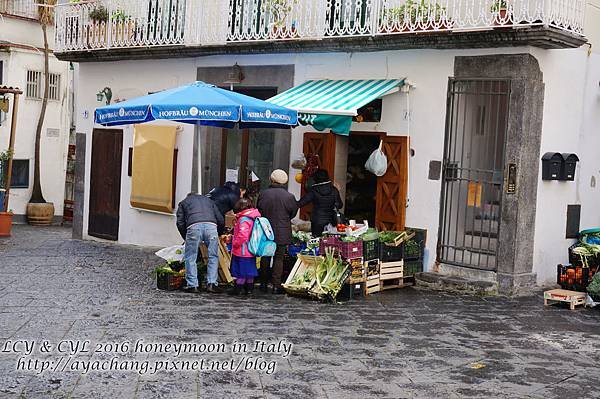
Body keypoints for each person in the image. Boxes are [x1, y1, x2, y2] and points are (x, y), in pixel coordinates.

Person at [257, 169, 298, 294]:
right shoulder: (289, 196)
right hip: (282, 229)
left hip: (266, 229)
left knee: (265, 256)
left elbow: (259, 209)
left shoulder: (263, 194)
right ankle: (276, 284)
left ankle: (263, 283)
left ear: (271, 179)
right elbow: (293, 212)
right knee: (279, 258)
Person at [176, 193, 224, 294]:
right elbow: (220, 218)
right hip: (211, 227)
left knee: (190, 257)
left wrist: (186, 237)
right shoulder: (209, 201)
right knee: (213, 256)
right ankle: (211, 284)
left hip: (194, 227)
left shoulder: (183, 203)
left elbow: (180, 222)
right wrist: (219, 232)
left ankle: (193, 285)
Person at [297, 169, 343, 237]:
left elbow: (300, 203)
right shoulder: (334, 190)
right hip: (331, 220)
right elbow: (340, 205)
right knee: (329, 243)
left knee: (316, 242)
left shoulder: (313, 191)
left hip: (317, 221)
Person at [229, 198, 260, 296]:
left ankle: (238, 289)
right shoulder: (253, 217)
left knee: (241, 271)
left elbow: (243, 235)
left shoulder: (244, 219)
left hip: (242, 250)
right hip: (251, 249)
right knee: (249, 271)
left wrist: (235, 244)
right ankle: (249, 289)